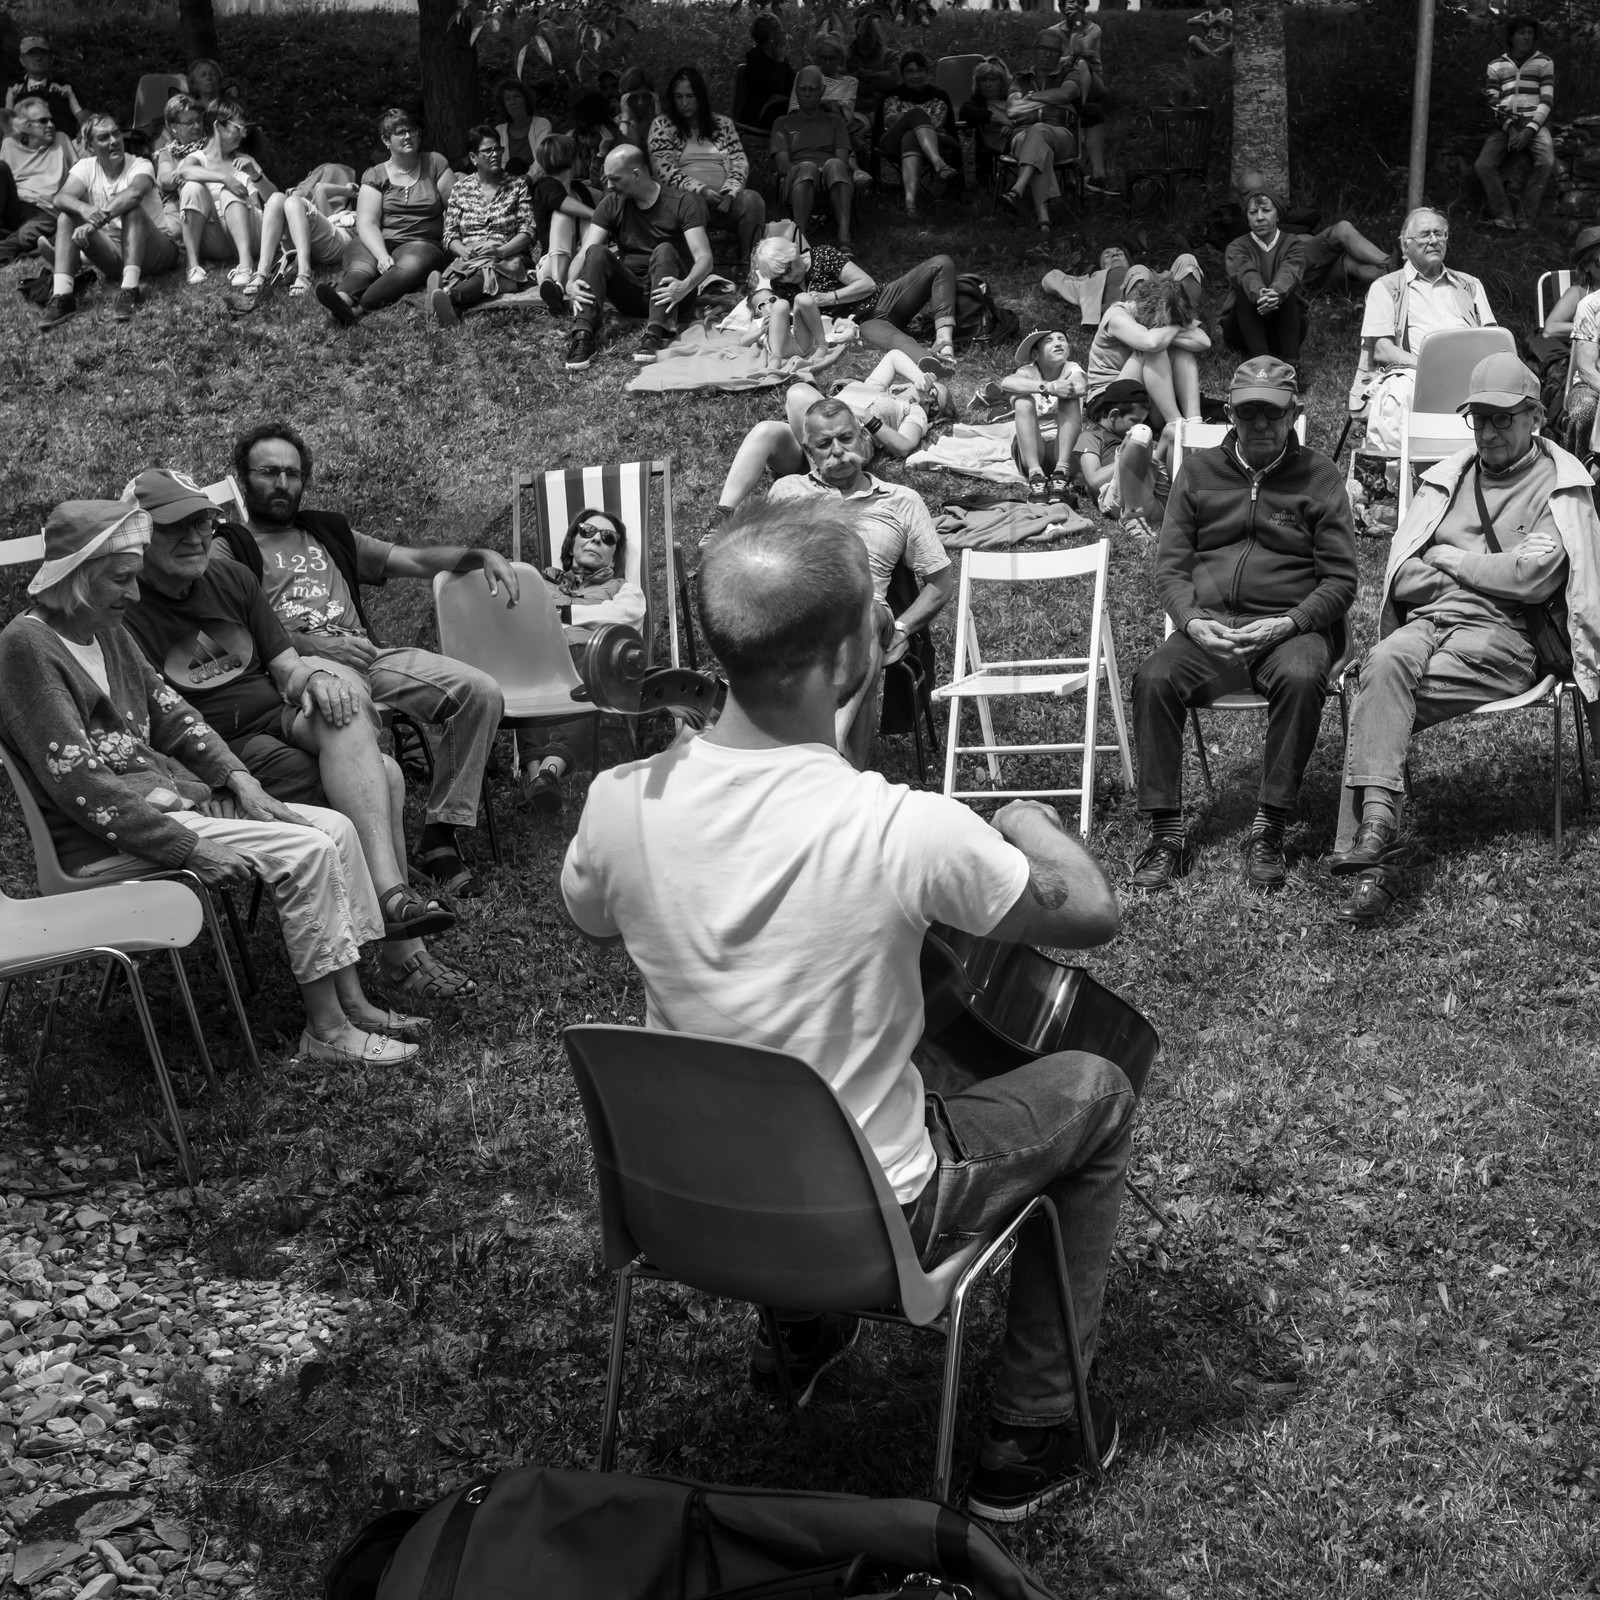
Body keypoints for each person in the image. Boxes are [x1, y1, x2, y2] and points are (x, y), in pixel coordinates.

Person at [560, 502, 1133, 1523]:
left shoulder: (617, 802)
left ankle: (800, 1331)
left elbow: (594, 920)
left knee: (758, 1052)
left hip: (681, 1207)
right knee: (1095, 1088)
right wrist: (1029, 821)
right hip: (873, 1219)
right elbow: (1090, 914)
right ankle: (1028, 1429)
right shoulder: (901, 827)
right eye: (874, 613)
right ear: (839, 659)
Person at [0, 498, 427, 1065]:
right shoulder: (27, 647)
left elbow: (175, 716)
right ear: (77, 580)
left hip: (168, 808)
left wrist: (241, 781)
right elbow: (82, 787)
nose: (134, 594)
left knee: (338, 828)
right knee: (306, 850)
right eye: (122, 580)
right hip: (104, 842)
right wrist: (189, 848)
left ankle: (354, 1003)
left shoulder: (106, 629)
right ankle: (326, 1033)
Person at [1332, 354, 1600, 923]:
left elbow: (1531, 580)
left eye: (1503, 419)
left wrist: (1451, 556)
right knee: (1383, 665)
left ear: (1535, 418)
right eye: (1480, 419)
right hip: (1427, 622)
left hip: (1503, 640)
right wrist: (1486, 566)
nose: (1490, 431)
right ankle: (1378, 830)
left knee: (1376, 701)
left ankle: (1371, 866)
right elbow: (1403, 572)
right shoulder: (1447, 478)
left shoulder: (1561, 484)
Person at [212, 422, 513, 902]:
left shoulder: (327, 532)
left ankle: (440, 835)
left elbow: (412, 560)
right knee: (345, 708)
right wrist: (309, 646)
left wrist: (476, 554)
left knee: (480, 691)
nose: (282, 483)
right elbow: (228, 631)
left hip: (372, 655)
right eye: (269, 472)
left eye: (292, 473)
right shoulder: (229, 547)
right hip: (304, 669)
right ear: (244, 477)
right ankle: (385, 876)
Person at [1131, 358, 1358, 892]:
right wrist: (1189, 620)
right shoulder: (1200, 470)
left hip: (1289, 631)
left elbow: (1342, 581)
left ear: (1294, 414)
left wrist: (1289, 623)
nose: (1260, 424)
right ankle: (1166, 832)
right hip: (1211, 628)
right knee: (1153, 679)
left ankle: (1268, 827)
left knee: (1304, 677)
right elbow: (1170, 565)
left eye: (1272, 413)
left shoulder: (1320, 477)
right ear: (1230, 411)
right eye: (1249, 411)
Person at [765, 398, 953, 767]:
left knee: (863, 614)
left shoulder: (902, 501)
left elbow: (940, 583)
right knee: (862, 648)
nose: (838, 452)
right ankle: (848, 770)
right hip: (800, 611)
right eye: (824, 445)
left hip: (869, 611)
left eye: (846, 439)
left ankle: (828, 749)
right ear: (808, 451)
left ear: (863, 439)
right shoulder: (787, 492)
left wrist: (902, 628)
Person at [519, 507, 646, 813]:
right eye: (587, 532)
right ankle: (539, 778)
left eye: (607, 538)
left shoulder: (624, 589)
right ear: (572, 542)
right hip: (538, 661)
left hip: (588, 660)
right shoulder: (537, 581)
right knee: (523, 667)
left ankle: (545, 773)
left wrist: (565, 615)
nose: (595, 541)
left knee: (589, 669)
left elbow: (622, 618)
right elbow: (520, 619)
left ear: (615, 554)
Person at [717, 349, 952, 513]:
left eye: (935, 393)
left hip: (844, 446)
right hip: (811, 439)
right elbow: (894, 356)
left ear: (932, 409)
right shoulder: (875, 387)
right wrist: (919, 377)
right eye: (931, 385)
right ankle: (722, 515)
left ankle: (819, 479)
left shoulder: (913, 411)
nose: (929, 389)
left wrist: (864, 416)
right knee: (765, 429)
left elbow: (903, 446)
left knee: (800, 393)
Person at [1356, 208, 1497, 456]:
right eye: (1424, 234)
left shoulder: (1470, 284)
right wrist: (1427, 368)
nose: (1433, 240)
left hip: (1472, 372)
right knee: (1398, 393)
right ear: (1405, 246)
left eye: (1439, 234)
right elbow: (1382, 349)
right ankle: (1396, 477)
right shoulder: (1386, 287)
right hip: (1416, 373)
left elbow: (1493, 338)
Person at [562, 144, 713, 372]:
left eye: (614, 179)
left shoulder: (682, 202)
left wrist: (685, 285)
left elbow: (704, 257)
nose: (609, 185)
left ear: (636, 174)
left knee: (664, 249)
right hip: (632, 292)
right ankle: (583, 335)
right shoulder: (611, 203)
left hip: (674, 294)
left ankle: (656, 332)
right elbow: (584, 253)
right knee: (596, 252)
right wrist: (570, 282)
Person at [36, 112, 180, 330]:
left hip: (157, 251)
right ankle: (63, 296)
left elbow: (134, 194)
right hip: (115, 252)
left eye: (116, 134)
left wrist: (95, 223)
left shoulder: (140, 164)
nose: (114, 141)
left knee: (132, 210)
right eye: (104, 138)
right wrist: (84, 208)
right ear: (91, 147)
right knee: (68, 216)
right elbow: (61, 197)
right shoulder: (86, 167)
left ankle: (130, 290)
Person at [315, 108, 453, 327]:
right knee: (361, 268)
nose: (408, 136)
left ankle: (357, 309)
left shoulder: (435, 163)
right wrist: (381, 256)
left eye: (412, 130)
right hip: (378, 238)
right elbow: (366, 221)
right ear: (386, 140)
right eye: (400, 133)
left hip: (422, 242)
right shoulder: (375, 174)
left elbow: (455, 209)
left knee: (409, 266)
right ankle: (341, 299)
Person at [753, 232, 959, 373]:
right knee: (897, 341)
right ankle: (933, 364)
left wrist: (830, 297)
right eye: (780, 278)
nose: (787, 279)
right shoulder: (782, 286)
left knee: (941, 263)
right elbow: (779, 312)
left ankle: (944, 341)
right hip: (862, 323)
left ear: (793, 252)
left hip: (883, 299)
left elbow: (867, 284)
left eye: (787, 270)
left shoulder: (823, 255)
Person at [648, 67, 765, 273]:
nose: (684, 103)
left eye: (690, 96)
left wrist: (730, 192)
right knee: (692, 202)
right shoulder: (662, 125)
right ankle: (698, 273)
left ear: (700, 97)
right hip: (684, 203)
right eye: (679, 97)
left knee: (753, 200)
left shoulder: (723, 124)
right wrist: (700, 190)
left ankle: (751, 268)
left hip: (722, 202)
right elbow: (663, 170)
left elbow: (739, 162)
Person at [429, 123, 533, 327]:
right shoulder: (461, 188)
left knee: (489, 268)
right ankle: (450, 306)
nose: (495, 154)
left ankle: (450, 297)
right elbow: (450, 234)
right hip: (471, 255)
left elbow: (528, 230)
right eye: (487, 150)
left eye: (498, 149)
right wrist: (462, 250)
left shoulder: (517, 185)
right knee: (472, 269)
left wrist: (501, 251)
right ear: (473, 157)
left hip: (508, 254)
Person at [227, 161, 358, 314]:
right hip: (308, 241)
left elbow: (320, 188)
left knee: (293, 201)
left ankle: (305, 273)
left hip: (336, 243)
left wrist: (350, 192)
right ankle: (262, 272)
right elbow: (318, 189)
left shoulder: (344, 214)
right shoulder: (310, 208)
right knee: (276, 198)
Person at [1085, 269, 1210, 427]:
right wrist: (1175, 327)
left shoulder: (1167, 317)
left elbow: (1204, 341)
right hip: (1108, 402)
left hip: (1144, 400)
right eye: (1165, 322)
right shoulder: (1117, 314)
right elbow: (1150, 343)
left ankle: (1194, 422)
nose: (1167, 326)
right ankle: (1176, 423)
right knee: (1154, 351)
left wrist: (1173, 326)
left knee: (1182, 353)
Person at [996, 30, 1091, 232]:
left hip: (1061, 136)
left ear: (1060, 54)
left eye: (1054, 50)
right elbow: (1012, 110)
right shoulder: (1021, 79)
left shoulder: (1069, 74)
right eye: (1044, 49)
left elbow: (1067, 92)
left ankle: (1017, 189)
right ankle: (1044, 221)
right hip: (1022, 136)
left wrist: (1030, 98)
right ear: (1035, 50)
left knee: (1038, 131)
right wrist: (1052, 99)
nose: (1048, 54)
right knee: (1041, 148)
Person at [175, 98, 272, 288]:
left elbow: (274, 199)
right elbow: (184, 172)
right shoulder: (196, 159)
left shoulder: (245, 161)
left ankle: (246, 265)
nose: (243, 135)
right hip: (215, 238)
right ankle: (193, 266)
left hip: (250, 234)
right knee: (192, 187)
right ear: (218, 126)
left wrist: (255, 175)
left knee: (231, 192)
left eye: (245, 130)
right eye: (239, 128)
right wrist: (225, 178)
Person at [1475, 15, 1555, 232]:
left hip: (1535, 123)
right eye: (1521, 32)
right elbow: (1492, 102)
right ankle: (1503, 216)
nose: (1526, 37)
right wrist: (1510, 129)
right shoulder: (1496, 65)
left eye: (1530, 33)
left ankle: (1525, 217)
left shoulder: (1544, 62)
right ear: (1512, 36)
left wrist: (1529, 130)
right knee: (1483, 164)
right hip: (1505, 125)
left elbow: (1547, 100)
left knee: (1546, 160)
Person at [1221, 186, 1309, 368]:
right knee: (1244, 293)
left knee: (1288, 294)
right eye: (1253, 212)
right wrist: (1261, 295)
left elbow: (1289, 272)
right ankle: (1261, 361)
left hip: (1285, 328)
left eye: (1266, 210)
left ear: (1278, 214)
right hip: (1242, 331)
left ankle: (1293, 365)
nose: (1259, 217)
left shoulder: (1294, 244)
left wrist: (1275, 294)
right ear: (1247, 217)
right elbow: (1245, 274)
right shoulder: (1236, 247)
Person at [1072, 379, 1172, 537]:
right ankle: (1131, 516)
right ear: (1114, 415)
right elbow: (1094, 480)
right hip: (1121, 500)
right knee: (1141, 432)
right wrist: (1129, 458)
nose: (1136, 424)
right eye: (1134, 420)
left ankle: (1185, 502)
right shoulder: (1090, 436)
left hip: (1154, 497)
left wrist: (1144, 455)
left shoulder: (1130, 438)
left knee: (1171, 432)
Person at [771, 67, 856, 249]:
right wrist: (811, 171)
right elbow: (782, 165)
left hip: (831, 179)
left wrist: (822, 173)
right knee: (807, 168)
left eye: (812, 89)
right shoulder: (782, 123)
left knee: (835, 164)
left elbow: (842, 160)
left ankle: (843, 235)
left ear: (822, 92)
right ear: (796, 91)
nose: (807, 94)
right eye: (802, 89)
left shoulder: (835, 122)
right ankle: (800, 237)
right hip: (796, 180)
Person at [870, 51, 959, 220]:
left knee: (911, 136)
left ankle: (910, 204)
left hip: (931, 143)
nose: (916, 75)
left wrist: (908, 122)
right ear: (902, 74)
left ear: (927, 73)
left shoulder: (939, 96)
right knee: (916, 114)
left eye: (920, 70)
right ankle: (939, 164)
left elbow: (939, 124)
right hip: (892, 143)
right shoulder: (891, 95)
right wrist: (912, 118)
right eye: (910, 71)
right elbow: (889, 121)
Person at [1001, 326, 1085, 501]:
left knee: (1069, 396)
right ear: (1035, 355)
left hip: (1064, 450)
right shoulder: (1029, 372)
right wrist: (1048, 387)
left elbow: (1081, 386)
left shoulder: (1072, 368)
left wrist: (1065, 388)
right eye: (1049, 340)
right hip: (1032, 451)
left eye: (1062, 339)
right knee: (1023, 401)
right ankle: (1035, 475)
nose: (1057, 343)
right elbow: (1007, 382)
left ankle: (1061, 471)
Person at [1539, 227, 1600, 458]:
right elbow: (1550, 328)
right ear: (1586, 266)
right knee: (1583, 409)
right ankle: (1577, 480)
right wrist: (1587, 329)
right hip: (1589, 376)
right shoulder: (1582, 297)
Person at [1041, 245, 1205, 329]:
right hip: (1130, 313)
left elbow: (1173, 280)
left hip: (1164, 301)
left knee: (1187, 259)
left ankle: (1188, 320)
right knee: (1138, 271)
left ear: (1127, 259)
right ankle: (1143, 329)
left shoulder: (1148, 273)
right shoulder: (1088, 283)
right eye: (1107, 254)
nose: (1114, 255)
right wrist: (1076, 278)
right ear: (1100, 265)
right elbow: (1050, 279)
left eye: (1119, 253)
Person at [0, 94, 75, 265]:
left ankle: (8, 247)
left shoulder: (61, 140)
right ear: (25, 126)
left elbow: (82, 174)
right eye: (43, 121)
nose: (51, 125)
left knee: (29, 233)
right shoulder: (9, 145)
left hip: (45, 211)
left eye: (51, 120)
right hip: (16, 206)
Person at [529, 133, 594, 316]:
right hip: (550, 265)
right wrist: (596, 214)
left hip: (578, 262)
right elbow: (559, 201)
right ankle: (557, 287)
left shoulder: (580, 190)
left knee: (591, 224)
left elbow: (595, 224)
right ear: (571, 158)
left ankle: (574, 277)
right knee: (562, 215)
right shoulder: (545, 185)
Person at [5, 36, 82, 139]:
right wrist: (9, 133)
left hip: (67, 144)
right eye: (32, 54)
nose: (38, 58)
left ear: (51, 59)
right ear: (22, 60)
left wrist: (85, 128)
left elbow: (82, 114)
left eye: (43, 53)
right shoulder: (13, 89)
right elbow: (4, 115)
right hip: (26, 147)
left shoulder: (66, 87)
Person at [958, 56, 1012, 191]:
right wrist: (999, 119)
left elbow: (1023, 117)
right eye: (983, 80)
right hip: (992, 145)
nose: (987, 84)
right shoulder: (979, 101)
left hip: (1015, 141)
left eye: (992, 80)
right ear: (978, 83)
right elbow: (965, 111)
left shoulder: (1012, 98)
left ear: (1001, 82)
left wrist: (1010, 125)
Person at [739, 14, 795, 132]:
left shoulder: (779, 56)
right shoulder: (755, 59)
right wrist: (780, 61)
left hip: (780, 105)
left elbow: (792, 85)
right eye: (780, 29)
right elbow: (776, 86)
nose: (783, 33)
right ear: (771, 35)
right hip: (761, 112)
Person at [491, 77, 551, 176]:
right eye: (508, 99)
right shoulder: (499, 131)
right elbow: (498, 164)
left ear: (525, 100)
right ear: (503, 104)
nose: (512, 102)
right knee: (513, 164)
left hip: (537, 180)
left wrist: (528, 178)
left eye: (517, 96)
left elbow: (542, 159)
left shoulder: (541, 124)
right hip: (509, 183)